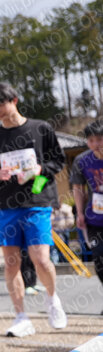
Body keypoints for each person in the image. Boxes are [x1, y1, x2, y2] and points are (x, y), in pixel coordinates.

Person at [0, 82, 67, 336]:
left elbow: (58, 160)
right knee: (10, 263)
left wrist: (40, 169)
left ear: (14, 100)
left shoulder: (41, 128)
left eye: (0, 104)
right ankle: (21, 316)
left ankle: (52, 299)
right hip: (5, 205)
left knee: (41, 259)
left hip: (36, 201)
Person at [69, 119, 103, 313]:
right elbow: (78, 188)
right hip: (95, 219)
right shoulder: (82, 161)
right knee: (99, 260)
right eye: (91, 140)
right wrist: (80, 213)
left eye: (99, 139)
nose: (96, 144)